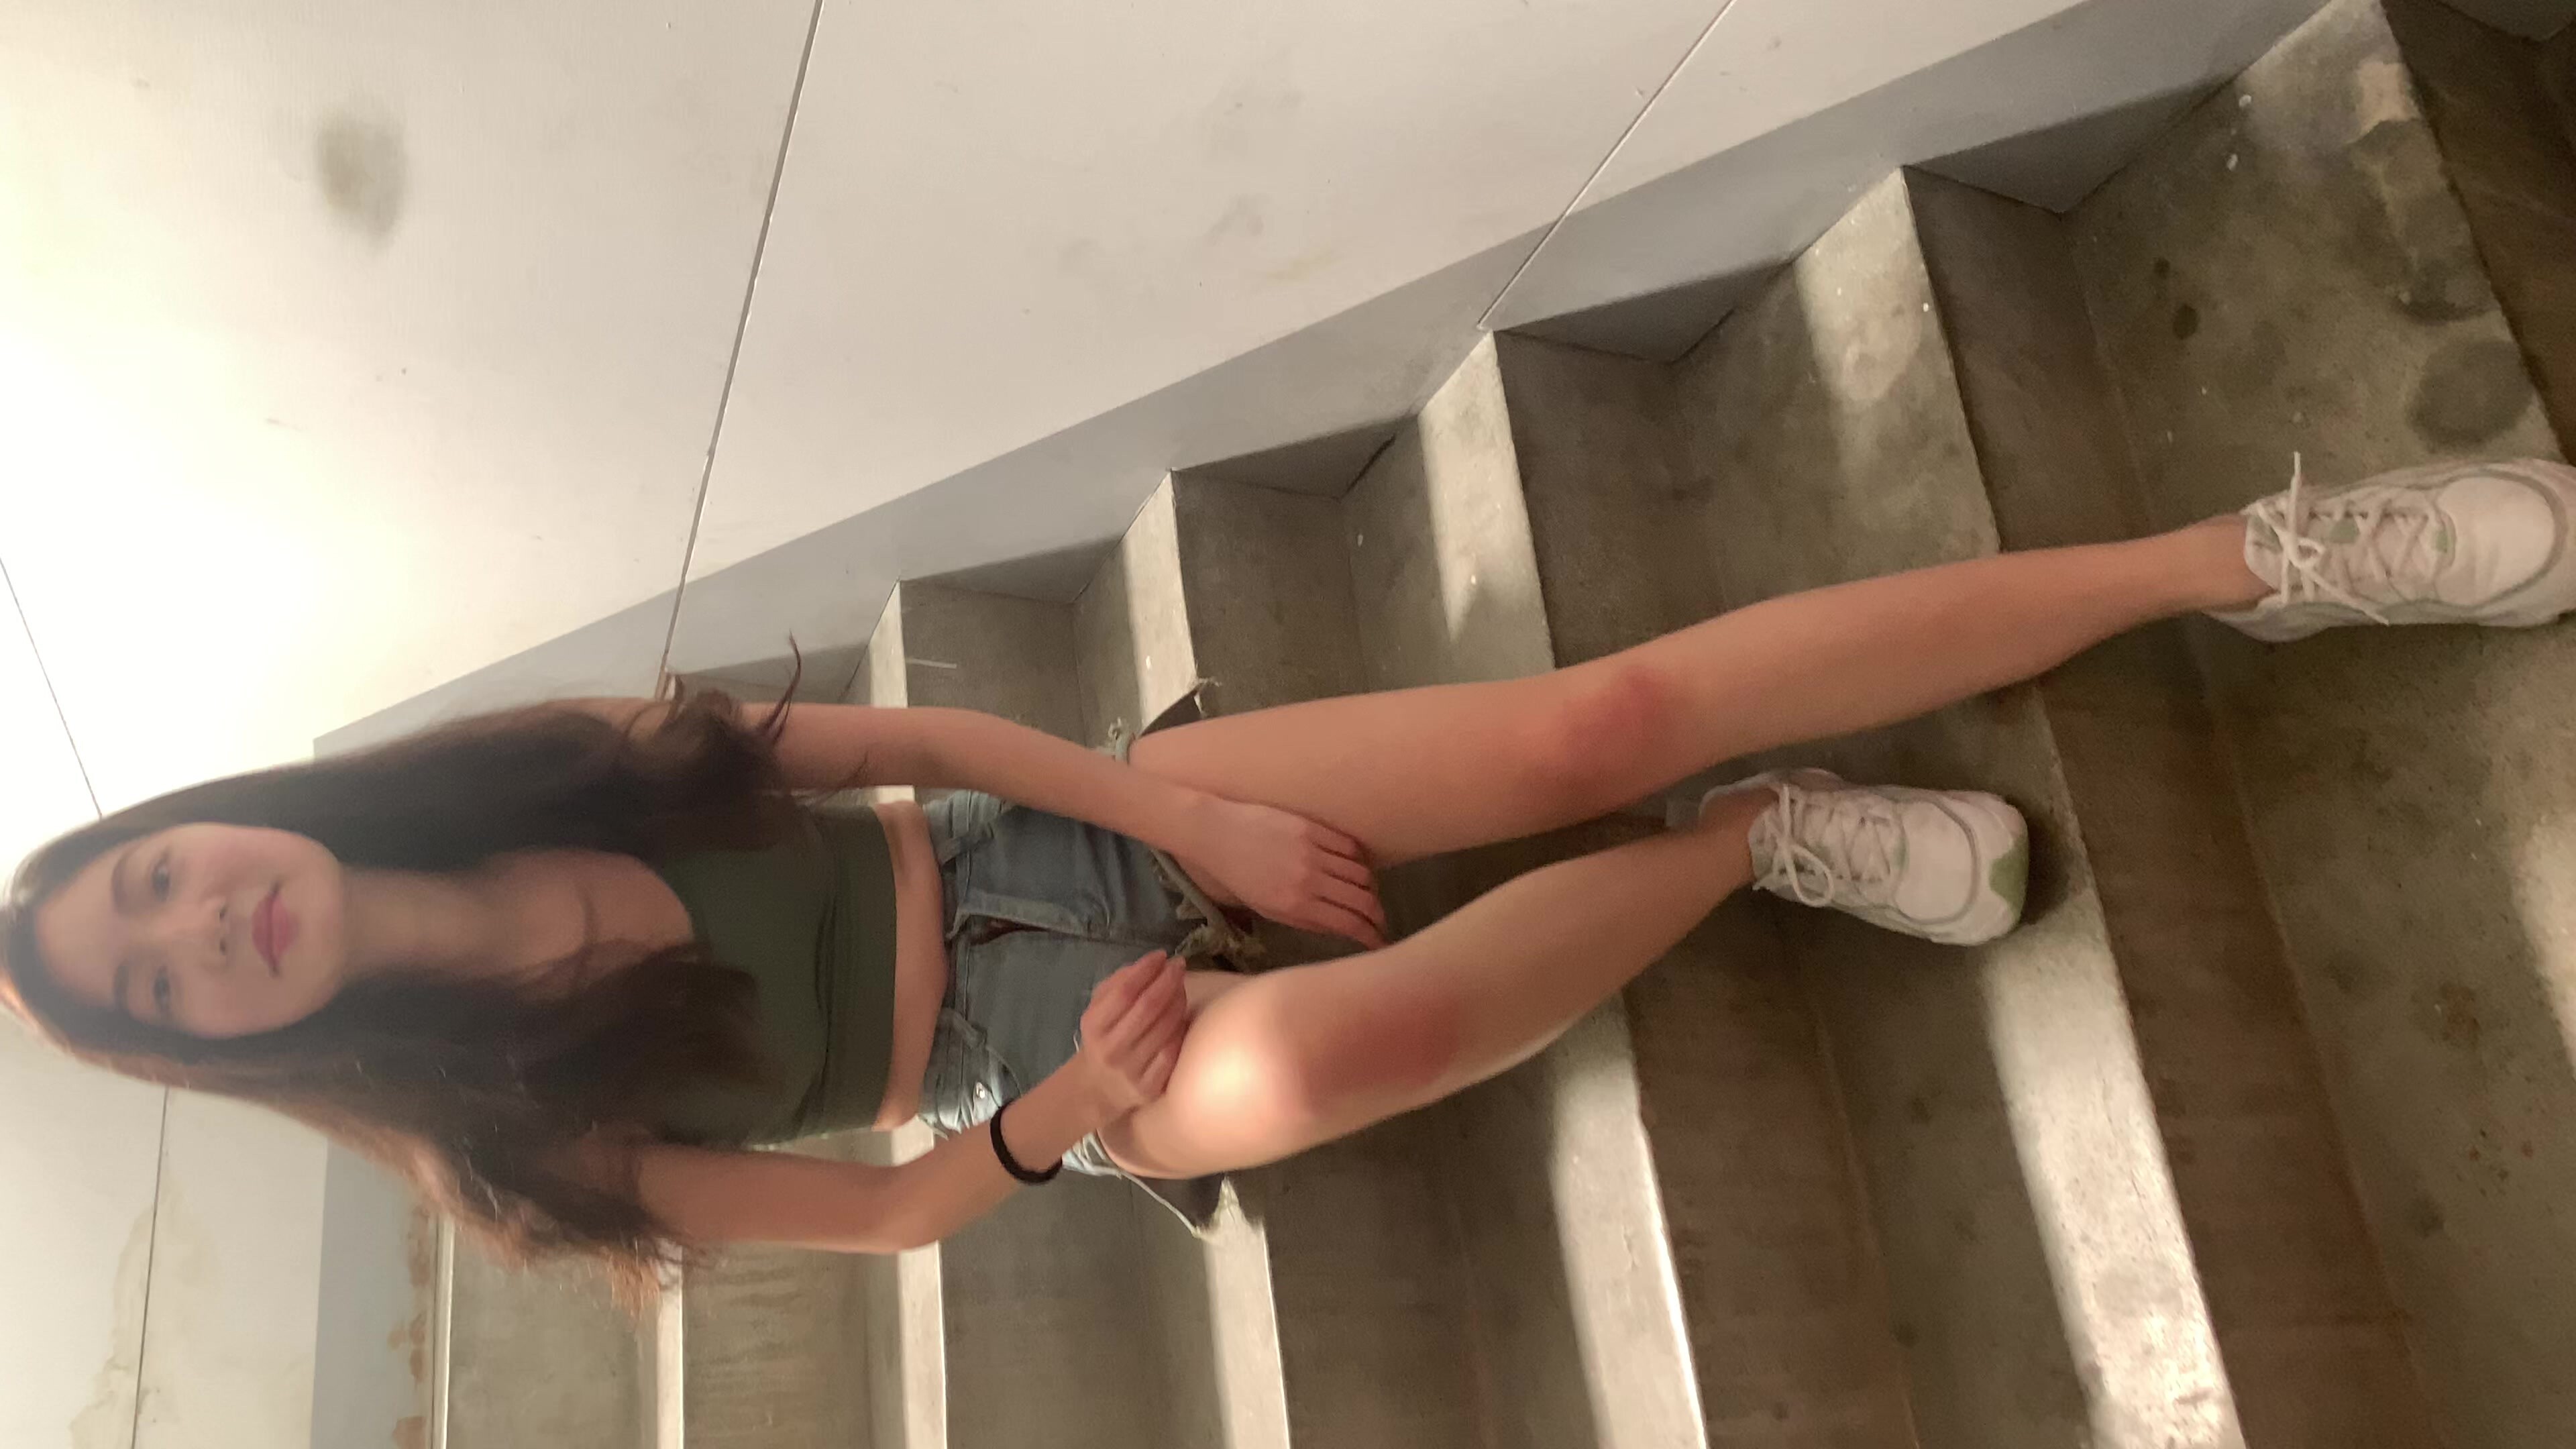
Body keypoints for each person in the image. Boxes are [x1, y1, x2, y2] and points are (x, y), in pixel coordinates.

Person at [4, 456, 2569, 1297]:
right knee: (1339, 1054)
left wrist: (1179, 812)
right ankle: (1756, 848)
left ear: (206, 825)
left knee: (1585, 721)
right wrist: (1058, 1111)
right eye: (161, 977)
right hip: (1026, 1060)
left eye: (157, 879)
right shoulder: (507, 1159)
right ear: (211, 1047)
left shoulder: (529, 764)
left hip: (1040, 826)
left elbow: (909, 736)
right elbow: (882, 1218)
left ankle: (2254, 555)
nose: (202, 921)